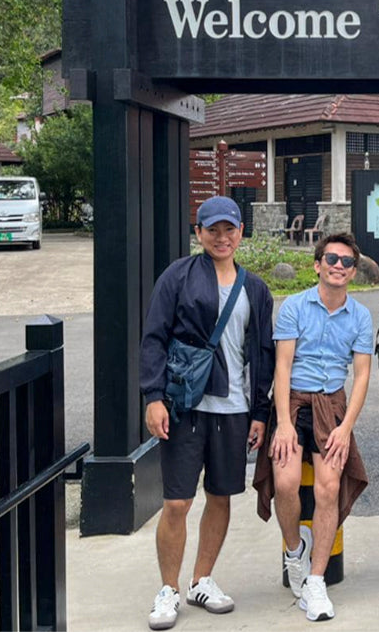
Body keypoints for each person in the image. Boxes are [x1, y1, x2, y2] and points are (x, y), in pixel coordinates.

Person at [139, 196, 275, 631]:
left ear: (241, 232)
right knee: (177, 500)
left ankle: (202, 580)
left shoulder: (255, 288)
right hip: (185, 404)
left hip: (234, 407)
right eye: (212, 229)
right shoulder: (177, 276)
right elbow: (154, 338)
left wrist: (260, 411)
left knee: (221, 495)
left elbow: (262, 353)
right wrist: (152, 396)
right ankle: (168, 589)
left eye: (229, 229)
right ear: (198, 233)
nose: (222, 237)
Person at [253, 233, 373, 622]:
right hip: (292, 402)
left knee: (329, 487)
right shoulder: (294, 307)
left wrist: (346, 427)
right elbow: (282, 367)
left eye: (347, 262)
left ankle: (317, 581)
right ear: (318, 264)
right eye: (332, 259)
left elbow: (362, 375)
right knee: (286, 483)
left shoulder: (360, 316)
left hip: (332, 406)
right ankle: (294, 553)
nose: (339, 266)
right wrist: (283, 423)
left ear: (353, 272)